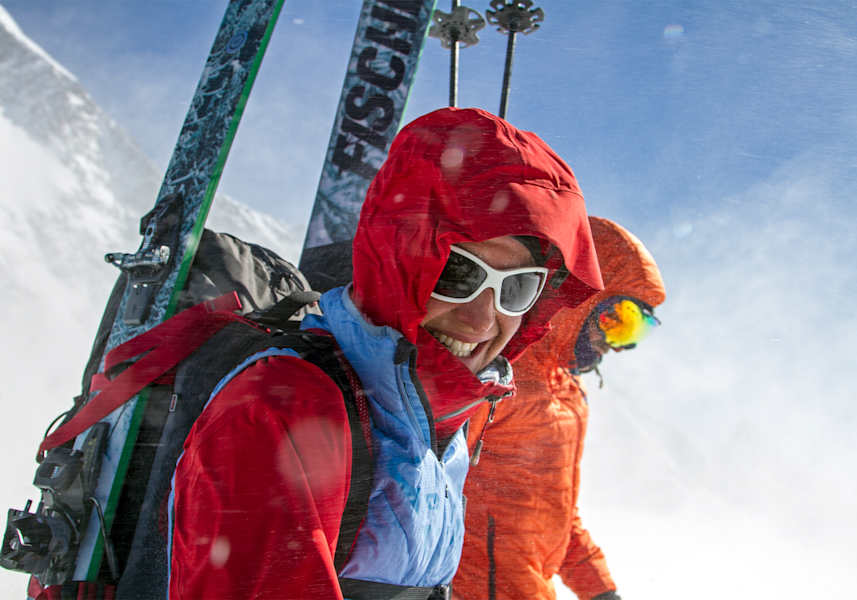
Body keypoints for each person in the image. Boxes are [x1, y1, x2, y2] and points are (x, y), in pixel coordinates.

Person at [167, 107, 604, 599]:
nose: (484, 320)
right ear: (399, 256)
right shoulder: (283, 408)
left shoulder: (446, 421)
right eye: (458, 273)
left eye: (519, 288)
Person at [452, 216, 666, 600]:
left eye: (634, 330)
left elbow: (557, 515)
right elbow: (425, 486)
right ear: (581, 299)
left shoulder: (570, 395)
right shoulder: (498, 375)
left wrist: (600, 590)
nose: (618, 345)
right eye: (616, 320)